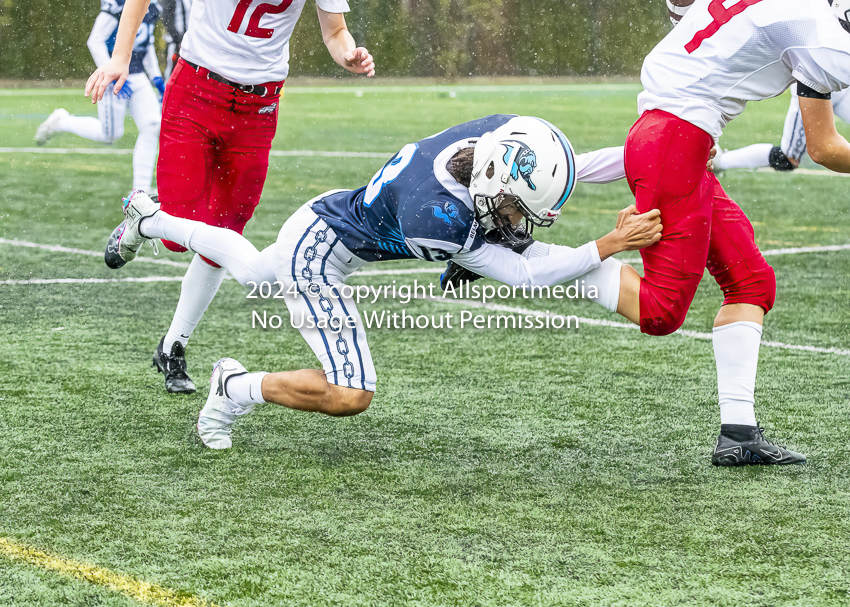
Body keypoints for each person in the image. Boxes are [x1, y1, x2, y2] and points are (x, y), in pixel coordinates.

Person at [104, 115, 663, 449]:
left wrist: (657, 159)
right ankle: (234, 388)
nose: (519, 220)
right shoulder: (436, 216)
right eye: (517, 210)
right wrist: (607, 246)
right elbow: (521, 269)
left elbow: (574, 165)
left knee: (250, 269)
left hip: (325, 218)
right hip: (321, 253)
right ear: (493, 182)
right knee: (350, 394)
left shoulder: (498, 143)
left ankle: (148, 216)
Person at [86, 0, 376, 396]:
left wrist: (348, 54)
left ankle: (173, 345)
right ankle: (145, 220)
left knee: (220, 237)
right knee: (175, 237)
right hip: (196, 90)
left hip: (259, 106)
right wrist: (120, 57)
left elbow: (335, 30)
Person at [606, 0, 850, 466]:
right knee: (660, 313)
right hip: (674, 138)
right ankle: (554, 261)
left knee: (751, 282)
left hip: (679, 136)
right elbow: (822, 147)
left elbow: (683, 10)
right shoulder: (826, 39)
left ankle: (737, 434)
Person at [34, 0, 163, 193]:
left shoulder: (152, 6)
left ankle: (140, 191)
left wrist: (156, 78)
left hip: (138, 74)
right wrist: (111, 71)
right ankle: (61, 122)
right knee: (110, 134)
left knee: (152, 126)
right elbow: (95, 40)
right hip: (115, 74)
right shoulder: (118, 4)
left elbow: (146, 44)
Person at [714, 85, 850, 172]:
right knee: (787, 158)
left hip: (840, 78)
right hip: (815, 85)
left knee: (787, 158)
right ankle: (720, 162)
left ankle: (720, 162)